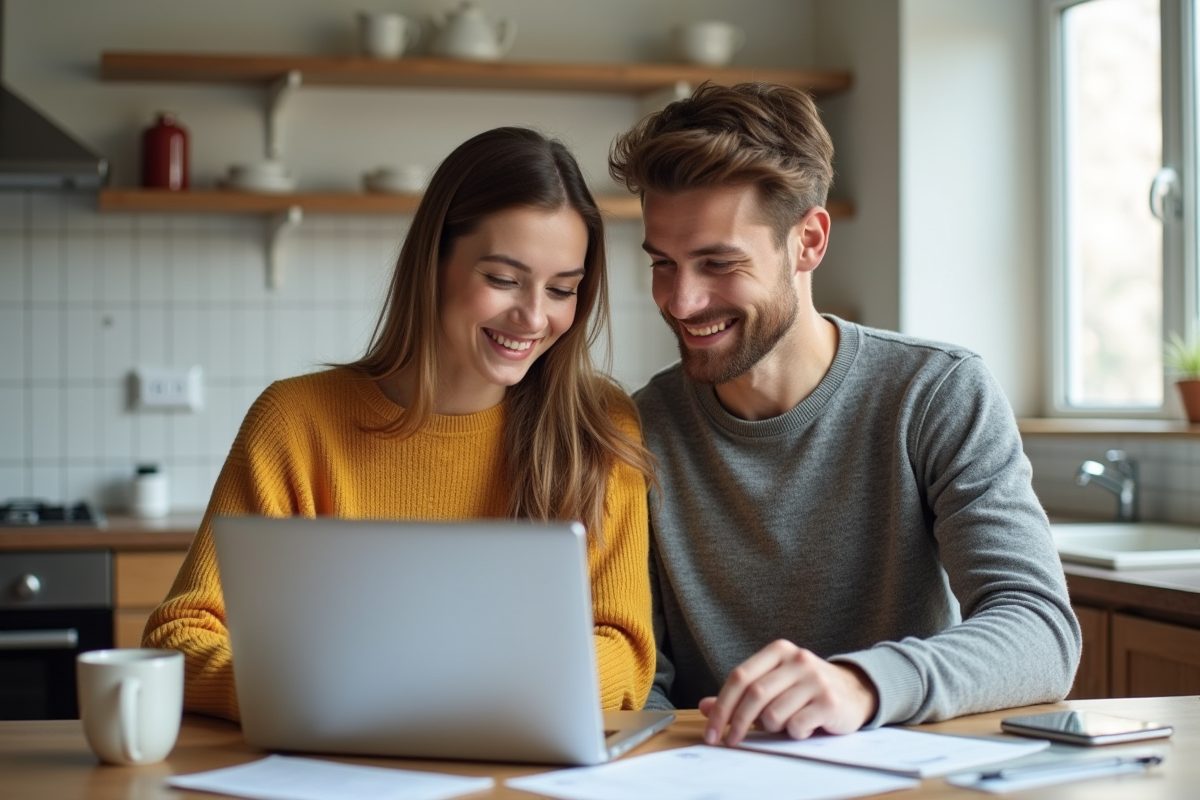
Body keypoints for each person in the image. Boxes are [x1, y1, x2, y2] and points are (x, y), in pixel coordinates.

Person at [607, 82, 1081, 747]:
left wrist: (863, 685)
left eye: (718, 263)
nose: (682, 301)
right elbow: (645, 678)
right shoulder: (639, 430)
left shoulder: (936, 393)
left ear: (808, 241)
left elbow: (1040, 631)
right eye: (663, 263)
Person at [144, 127, 658, 720]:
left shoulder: (598, 428)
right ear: (433, 263)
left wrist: (442, 692)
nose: (534, 317)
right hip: (335, 754)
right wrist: (301, 689)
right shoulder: (294, 423)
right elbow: (178, 636)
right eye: (502, 279)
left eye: (563, 289)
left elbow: (624, 653)